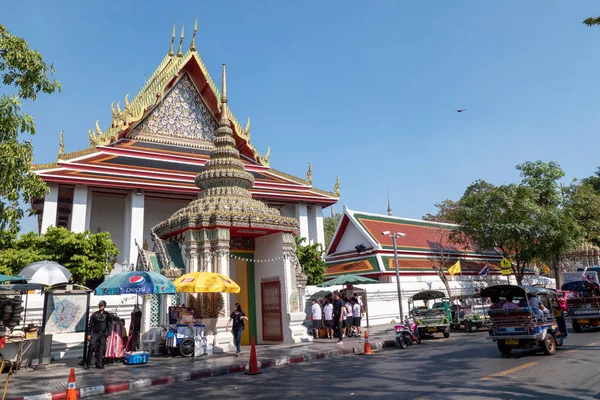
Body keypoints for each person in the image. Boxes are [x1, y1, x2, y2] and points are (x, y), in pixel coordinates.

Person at [86, 300, 112, 369]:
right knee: (91, 346)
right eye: (99, 305)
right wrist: (89, 334)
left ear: (104, 306)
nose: (100, 307)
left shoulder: (107, 314)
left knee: (101, 349)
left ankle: (99, 363)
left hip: (103, 334)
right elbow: (90, 325)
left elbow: (109, 324)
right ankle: (88, 362)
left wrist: (109, 333)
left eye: (101, 305)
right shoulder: (94, 314)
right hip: (95, 333)